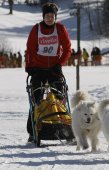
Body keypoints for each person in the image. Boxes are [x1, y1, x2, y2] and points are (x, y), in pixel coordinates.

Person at [25, 2, 71, 141]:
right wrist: (30, 67)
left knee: (59, 98)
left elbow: (67, 48)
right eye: (47, 16)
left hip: (54, 69)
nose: (49, 18)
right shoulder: (36, 29)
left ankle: (65, 129)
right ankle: (33, 132)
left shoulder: (60, 28)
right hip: (38, 69)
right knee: (36, 100)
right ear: (43, 17)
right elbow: (30, 50)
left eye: (52, 16)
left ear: (55, 17)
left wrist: (60, 63)